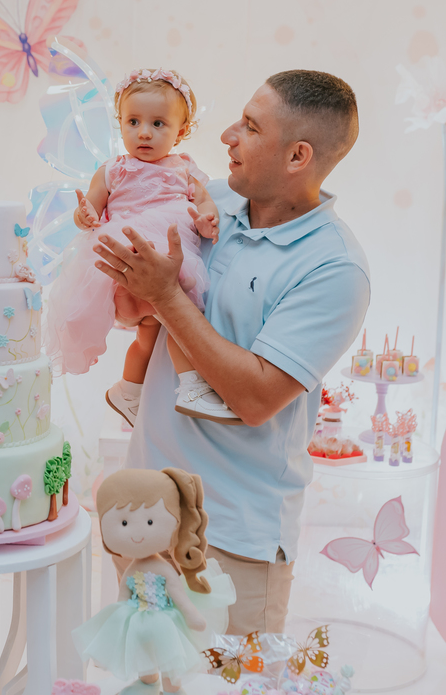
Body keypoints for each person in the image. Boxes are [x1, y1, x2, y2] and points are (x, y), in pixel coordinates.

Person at [94, 70, 371, 634]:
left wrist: (166, 295)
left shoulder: (334, 268)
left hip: (233, 538)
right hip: (145, 515)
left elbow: (255, 397)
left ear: (297, 156)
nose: (226, 135)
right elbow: (129, 299)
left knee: (228, 680)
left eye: (249, 126)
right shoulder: (207, 204)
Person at [46, 67, 234, 426]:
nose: (144, 132)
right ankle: (193, 387)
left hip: (167, 257)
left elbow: (204, 202)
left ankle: (129, 390)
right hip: (126, 261)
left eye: (158, 124)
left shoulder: (185, 169)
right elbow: (90, 209)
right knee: (173, 322)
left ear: (181, 132)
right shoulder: (113, 170)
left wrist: (207, 218)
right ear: (121, 123)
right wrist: (84, 215)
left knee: (153, 333)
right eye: (133, 121)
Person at [73, 468, 235, 693]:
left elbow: (178, 594)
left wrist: (191, 614)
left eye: (150, 522)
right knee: (144, 656)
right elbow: (122, 596)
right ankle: (148, 681)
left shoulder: (163, 569)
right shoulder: (130, 570)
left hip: (165, 620)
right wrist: (114, 626)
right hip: (136, 620)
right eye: (124, 524)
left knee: (170, 657)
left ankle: (172, 687)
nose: (136, 534)